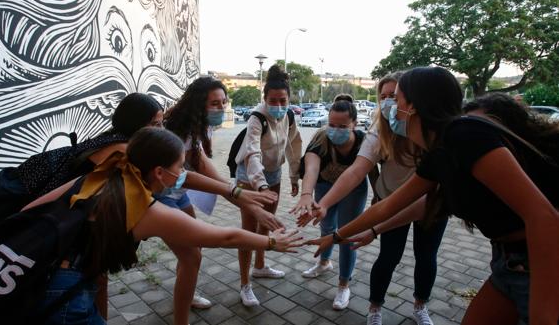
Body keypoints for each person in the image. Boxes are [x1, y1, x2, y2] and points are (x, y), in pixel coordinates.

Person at [306, 67, 559, 325]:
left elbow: (544, 216)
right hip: (507, 260)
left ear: (413, 106)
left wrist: (543, 314)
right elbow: (394, 207)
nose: (390, 106)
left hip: (540, 258)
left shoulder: (464, 134)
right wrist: (339, 236)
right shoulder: (438, 153)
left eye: (397, 98)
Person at [22, 127, 303, 325]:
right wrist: (271, 242)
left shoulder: (99, 178)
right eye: (180, 166)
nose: (183, 174)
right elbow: (224, 236)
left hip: (34, 272)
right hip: (65, 292)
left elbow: (27, 213)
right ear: (159, 172)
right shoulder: (148, 210)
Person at [157, 76, 284, 314]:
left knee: (192, 251)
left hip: (179, 194)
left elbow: (206, 169)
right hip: (160, 197)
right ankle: (182, 310)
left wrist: (250, 204)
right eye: (215, 103)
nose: (221, 108)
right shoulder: (172, 131)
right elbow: (189, 175)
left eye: (224, 102)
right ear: (197, 104)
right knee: (192, 254)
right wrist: (241, 196)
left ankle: (186, 290)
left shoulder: (198, 126)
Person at [234, 64, 302, 306]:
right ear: (264, 99)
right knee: (248, 231)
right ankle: (244, 284)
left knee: (267, 225)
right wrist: (260, 187)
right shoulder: (257, 118)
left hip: (274, 175)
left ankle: (260, 266)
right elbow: (252, 154)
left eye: (282, 100)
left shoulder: (290, 115)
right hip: (250, 178)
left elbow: (294, 147)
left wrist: (294, 177)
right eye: (273, 100)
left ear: (289, 98)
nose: (278, 105)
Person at [292, 94, 368, 310]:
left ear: (354, 123)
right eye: (332, 124)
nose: (335, 130)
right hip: (325, 186)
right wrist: (306, 195)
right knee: (326, 227)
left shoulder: (364, 141)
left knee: (346, 234)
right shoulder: (321, 139)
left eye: (342, 126)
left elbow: (371, 171)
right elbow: (312, 169)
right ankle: (324, 263)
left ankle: (344, 284)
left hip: (353, 190)